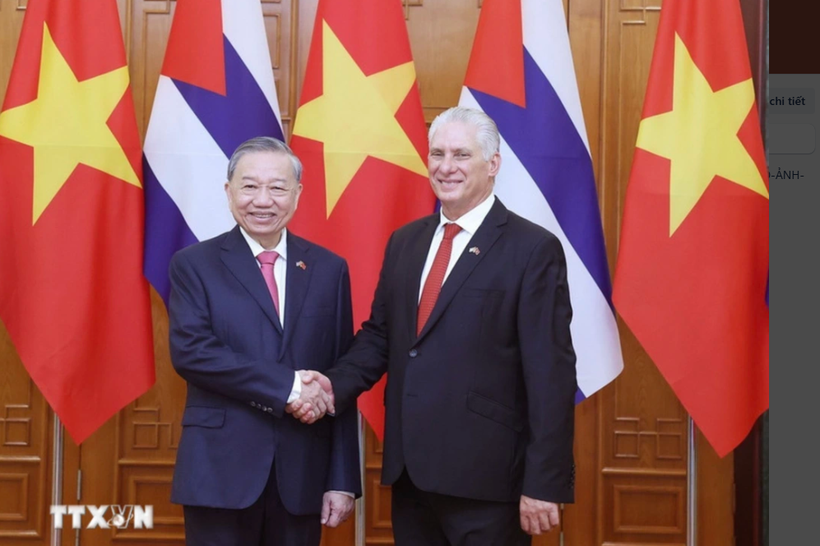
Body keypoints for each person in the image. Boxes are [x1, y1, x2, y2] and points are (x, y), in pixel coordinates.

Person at [290, 107, 577, 545]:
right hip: (412, 475)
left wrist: (545, 482)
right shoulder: (407, 241)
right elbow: (382, 335)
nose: (446, 167)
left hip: (489, 481)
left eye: (461, 155)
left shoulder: (532, 249)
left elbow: (550, 374)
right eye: (437, 154)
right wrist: (330, 386)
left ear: (493, 163)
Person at [168, 137, 361, 546]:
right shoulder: (194, 265)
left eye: (277, 187)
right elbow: (193, 353)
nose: (262, 200)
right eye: (249, 186)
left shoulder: (329, 269)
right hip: (219, 473)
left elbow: (338, 376)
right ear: (228, 191)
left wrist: (343, 480)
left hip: (303, 475)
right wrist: (289, 388)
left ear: (297, 194)